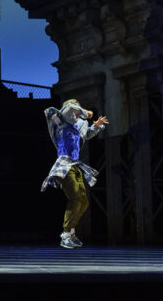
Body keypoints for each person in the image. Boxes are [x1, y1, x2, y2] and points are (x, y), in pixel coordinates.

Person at [41, 98, 108, 249]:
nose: (77, 114)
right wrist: (86, 112)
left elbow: (87, 134)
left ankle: (71, 233)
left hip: (75, 165)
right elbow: (69, 108)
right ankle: (65, 236)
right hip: (64, 165)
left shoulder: (78, 127)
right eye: (76, 111)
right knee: (75, 198)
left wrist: (96, 126)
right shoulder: (61, 122)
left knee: (83, 201)